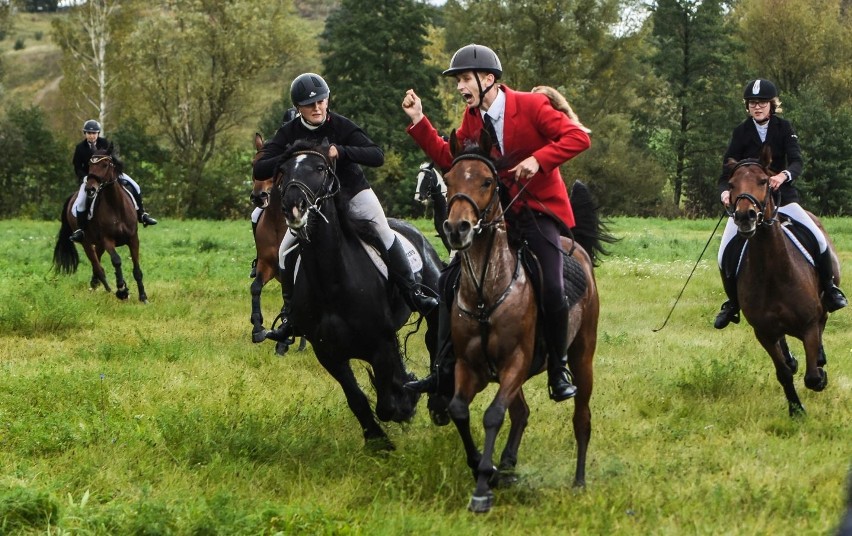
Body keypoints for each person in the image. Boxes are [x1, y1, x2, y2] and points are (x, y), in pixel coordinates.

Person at [401, 44, 591, 402]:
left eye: (464, 79)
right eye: (458, 80)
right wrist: (419, 121)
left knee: (551, 283)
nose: (460, 87)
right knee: (448, 280)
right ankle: (444, 367)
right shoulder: (471, 120)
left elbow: (578, 137)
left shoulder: (532, 106)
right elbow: (452, 160)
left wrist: (539, 159)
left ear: (488, 79)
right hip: (494, 218)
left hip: (537, 210)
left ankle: (558, 368)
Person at [256, 73, 438, 342]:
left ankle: (414, 293)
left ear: (327, 100)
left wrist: (341, 151)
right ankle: (291, 316)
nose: (317, 108)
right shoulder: (289, 132)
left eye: (321, 101)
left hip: (353, 193)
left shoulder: (341, 125)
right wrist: (290, 155)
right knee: (284, 251)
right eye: (310, 105)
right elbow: (260, 166)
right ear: (298, 109)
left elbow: (376, 155)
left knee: (385, 233)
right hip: (315, 205)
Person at [714, 78, 846, 329]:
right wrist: (723, 193)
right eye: (753, 103)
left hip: (783, 200)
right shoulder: (740, 132)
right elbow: (725, 174)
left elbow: (796, 161)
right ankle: (732, 303)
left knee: (816, 238)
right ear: (748, 107)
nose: (757, 107)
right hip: (749, 205)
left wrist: (783, 176)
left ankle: (829, 290)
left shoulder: (784, 128)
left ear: (772, 105)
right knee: (724, 253)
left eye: (762, 102)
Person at [70, 120, 157, 242]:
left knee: (136, 186)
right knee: (80, 201)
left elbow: (115, 159)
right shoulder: (80, 148)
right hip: (91, 178)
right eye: (89, 133)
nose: (91, 135)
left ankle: (142, 214)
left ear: (98, 133)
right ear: (85, 133)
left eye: (94, 133)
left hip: (111, 174)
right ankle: (81, 230)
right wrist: (85, 177)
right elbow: (78, 166)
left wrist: (115, 172)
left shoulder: (104, 143)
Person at [249, 106, 299, 278]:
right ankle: (259, 258)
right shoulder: (276, 143)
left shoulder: (306, 141)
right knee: (255, 216)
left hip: (298, 191)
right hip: (276, 192)